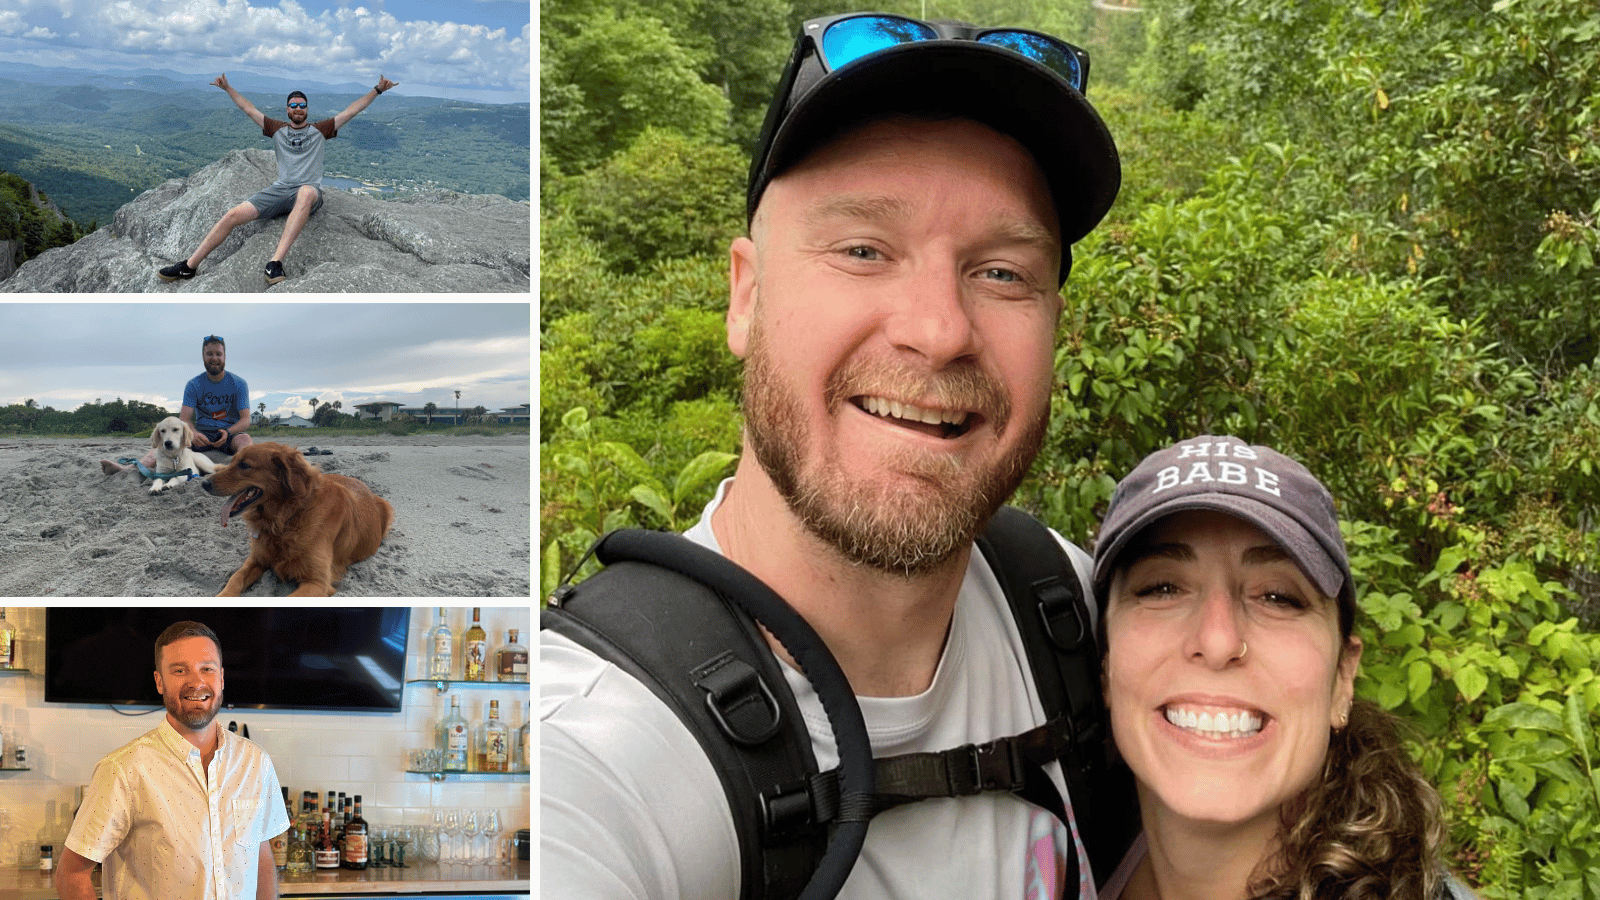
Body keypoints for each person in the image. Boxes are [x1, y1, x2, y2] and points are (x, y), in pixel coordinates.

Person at [542, 12, 1122, 899]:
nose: (938, 331)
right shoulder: (588, 756)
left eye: (1003, 271)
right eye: (863, 250)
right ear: (746, 296)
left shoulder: (1071, 612)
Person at [1090, 436, 1476, 900]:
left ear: (1341, 679)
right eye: (1162, 588)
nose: (1218, 642)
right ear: (1106, 660)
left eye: (1278, 597)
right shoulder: (1059, 860)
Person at [57, 621, 290, 900]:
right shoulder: (124, 769)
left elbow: (262, 854)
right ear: (159, 681)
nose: (196, 681)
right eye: (180, 670)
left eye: (207, 669)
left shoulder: (255, 761)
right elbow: (72, 873)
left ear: (222, 678)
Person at [157, 72, 398, 286]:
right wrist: (227, 88)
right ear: (287, 110)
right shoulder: (277, 129)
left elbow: (352, 110)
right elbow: (248, 109)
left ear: (307, 109)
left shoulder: (319, 130)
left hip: (309, 192)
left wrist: (377, 90)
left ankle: (275, 262)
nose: (298, 109)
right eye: (293, 105)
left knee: (305, 192)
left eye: (302, 105)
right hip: (281, 190)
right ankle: (189, 266)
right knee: (232, 215)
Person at [101, 334, 253, 476]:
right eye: (209, 354)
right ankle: (130, 468)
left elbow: (245, 420)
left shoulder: (238, 384)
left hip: (227, 434)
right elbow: (184, 419)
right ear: (203, 357)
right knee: (171, 440)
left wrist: (228, 431)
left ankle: (243, 470)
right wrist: (193, 434)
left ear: (224, 356)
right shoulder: (194, 384)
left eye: (218, 354)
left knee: (244, 439)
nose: (214, 358)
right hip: (201, 434)